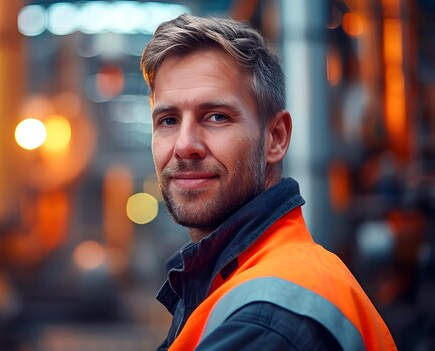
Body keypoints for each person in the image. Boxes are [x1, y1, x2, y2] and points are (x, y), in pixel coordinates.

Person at [140, 14, 397, 351]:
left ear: (275, 138)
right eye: (168, 120)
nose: (185, 144)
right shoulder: (232, 282)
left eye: (217, 116)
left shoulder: (267, 318)